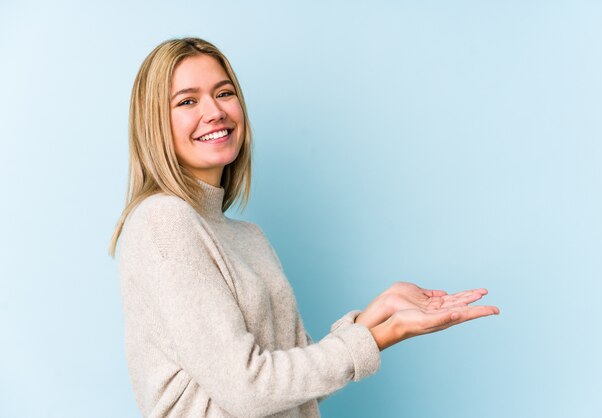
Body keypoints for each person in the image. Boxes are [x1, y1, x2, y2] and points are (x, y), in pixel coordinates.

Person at [109, 37, 499, 418]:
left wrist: (376, 315)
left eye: (224, 93)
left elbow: (293, 390)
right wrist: (384, 333)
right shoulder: (162, 221)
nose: (214, 111)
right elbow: (249, 390)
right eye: (188, 101)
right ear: (155, 122)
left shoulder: (249, 238)